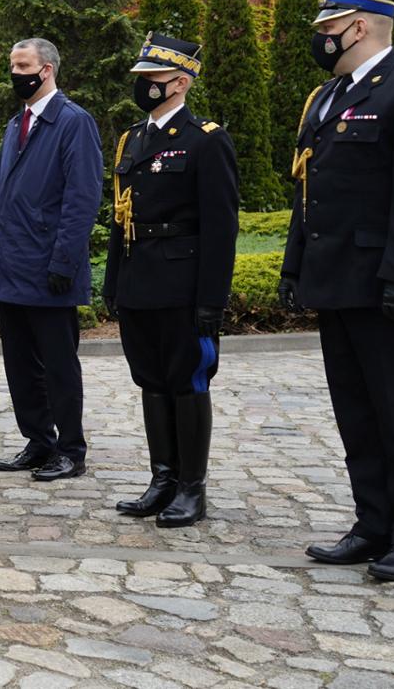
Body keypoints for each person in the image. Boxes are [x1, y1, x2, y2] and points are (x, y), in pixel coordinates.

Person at [283, 0, 394, 582]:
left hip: (389, 286)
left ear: (358, 26)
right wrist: (295, 265)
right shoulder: (328, 97)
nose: (320, 39)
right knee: (356, 414)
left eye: (326, 29)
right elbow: (309, 190)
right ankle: (372, 524)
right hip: (336, 281)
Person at [102, 33, 238, 528]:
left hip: (183, 283)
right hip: (140, 280)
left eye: (153, 78)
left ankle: (190, 488)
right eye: (141, 78)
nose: (143, 86)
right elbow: (121, 217)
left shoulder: (205, 139)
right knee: (151, 382)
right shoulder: (132, 139)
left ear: (180, 83)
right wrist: (113, 281)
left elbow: (221, 227)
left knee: (186, 381)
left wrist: (212, 301)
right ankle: (162, 479)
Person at [0, 37, 102, 483]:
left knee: (58, 366)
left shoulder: (73, 122)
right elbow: (1, 197)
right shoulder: (16, 123)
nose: (15, 73)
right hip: (11, 265)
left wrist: (63, 262)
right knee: (20, 364)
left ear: (46, 69)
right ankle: (38, 440)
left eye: (22, 66)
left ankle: (70, 449)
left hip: (48, 268)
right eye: (13, 65)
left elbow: (81, 199)